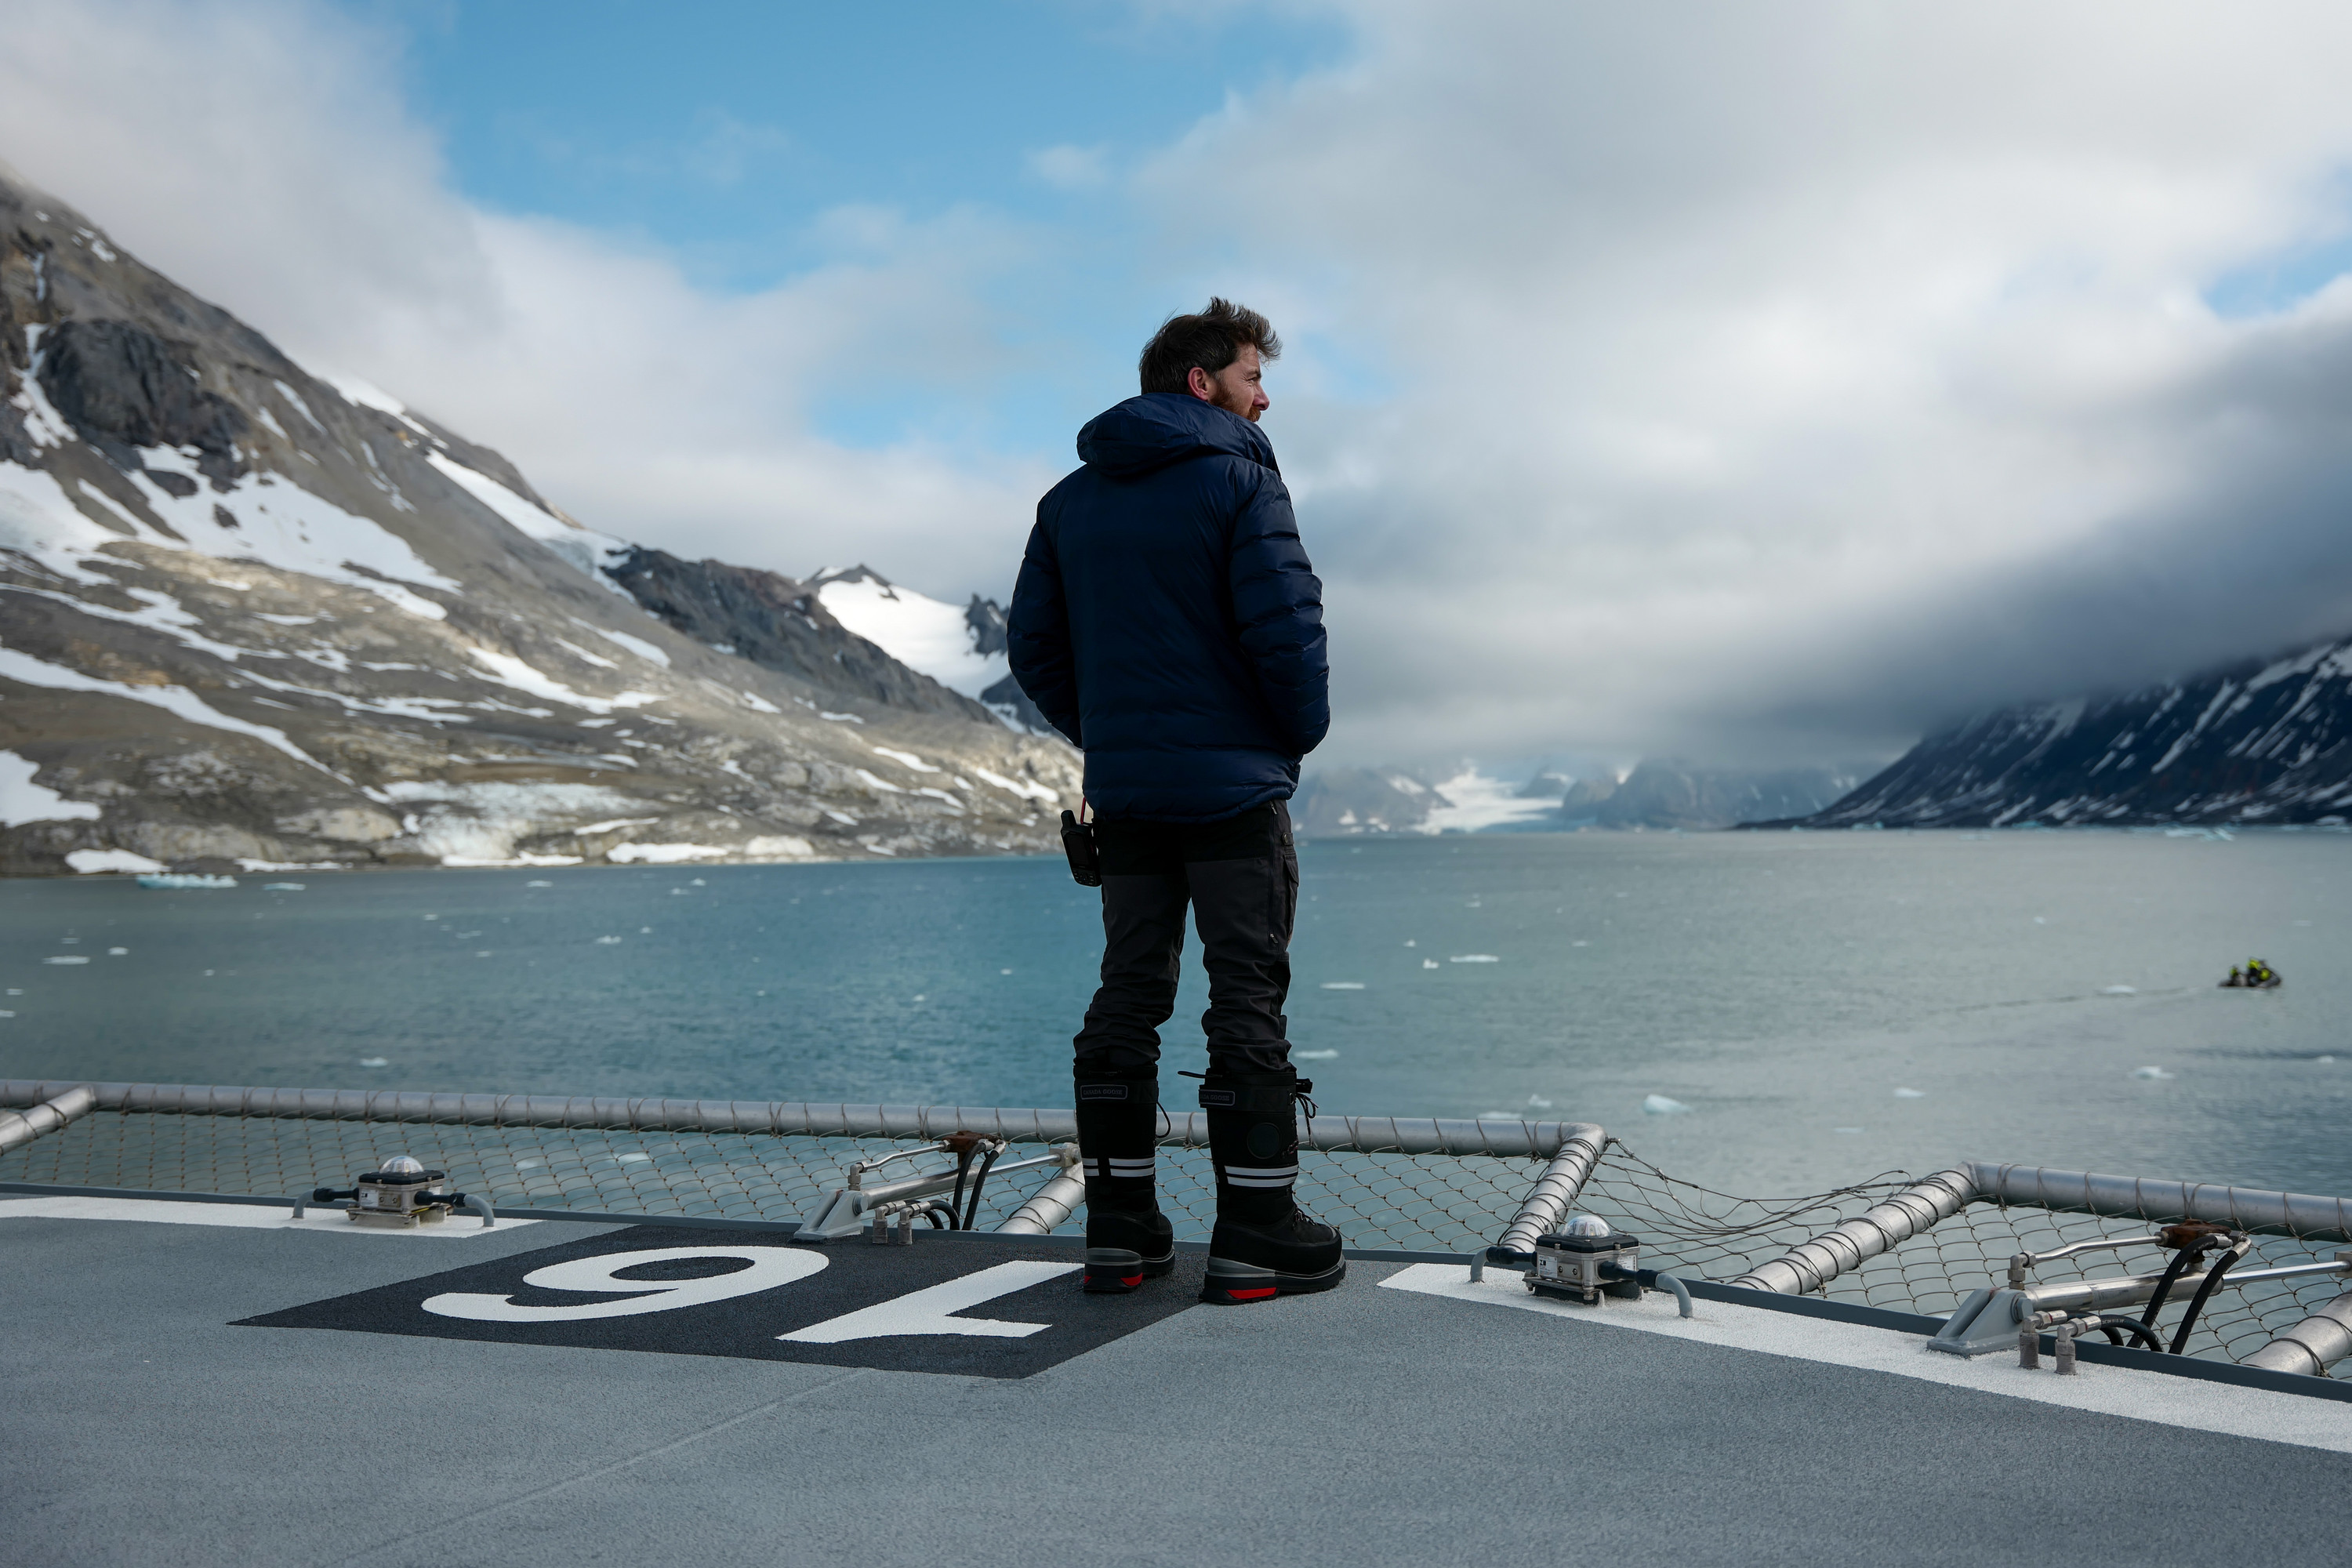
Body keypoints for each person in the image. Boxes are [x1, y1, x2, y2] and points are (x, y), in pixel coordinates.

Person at [1008, 299, 1341, 1306]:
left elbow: (1035, 652)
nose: (1264, 392)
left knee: (1126, 996)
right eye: (1250, 374)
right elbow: (1288, 632)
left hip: (1132, 798)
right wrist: (1285, 738)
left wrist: (1115, 737)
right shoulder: (1244, 484)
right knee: (1246, 999)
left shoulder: (1067, 502)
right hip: (1235, 796)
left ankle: (1118, 1227)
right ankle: (1254, 1229)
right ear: (1202, 383)